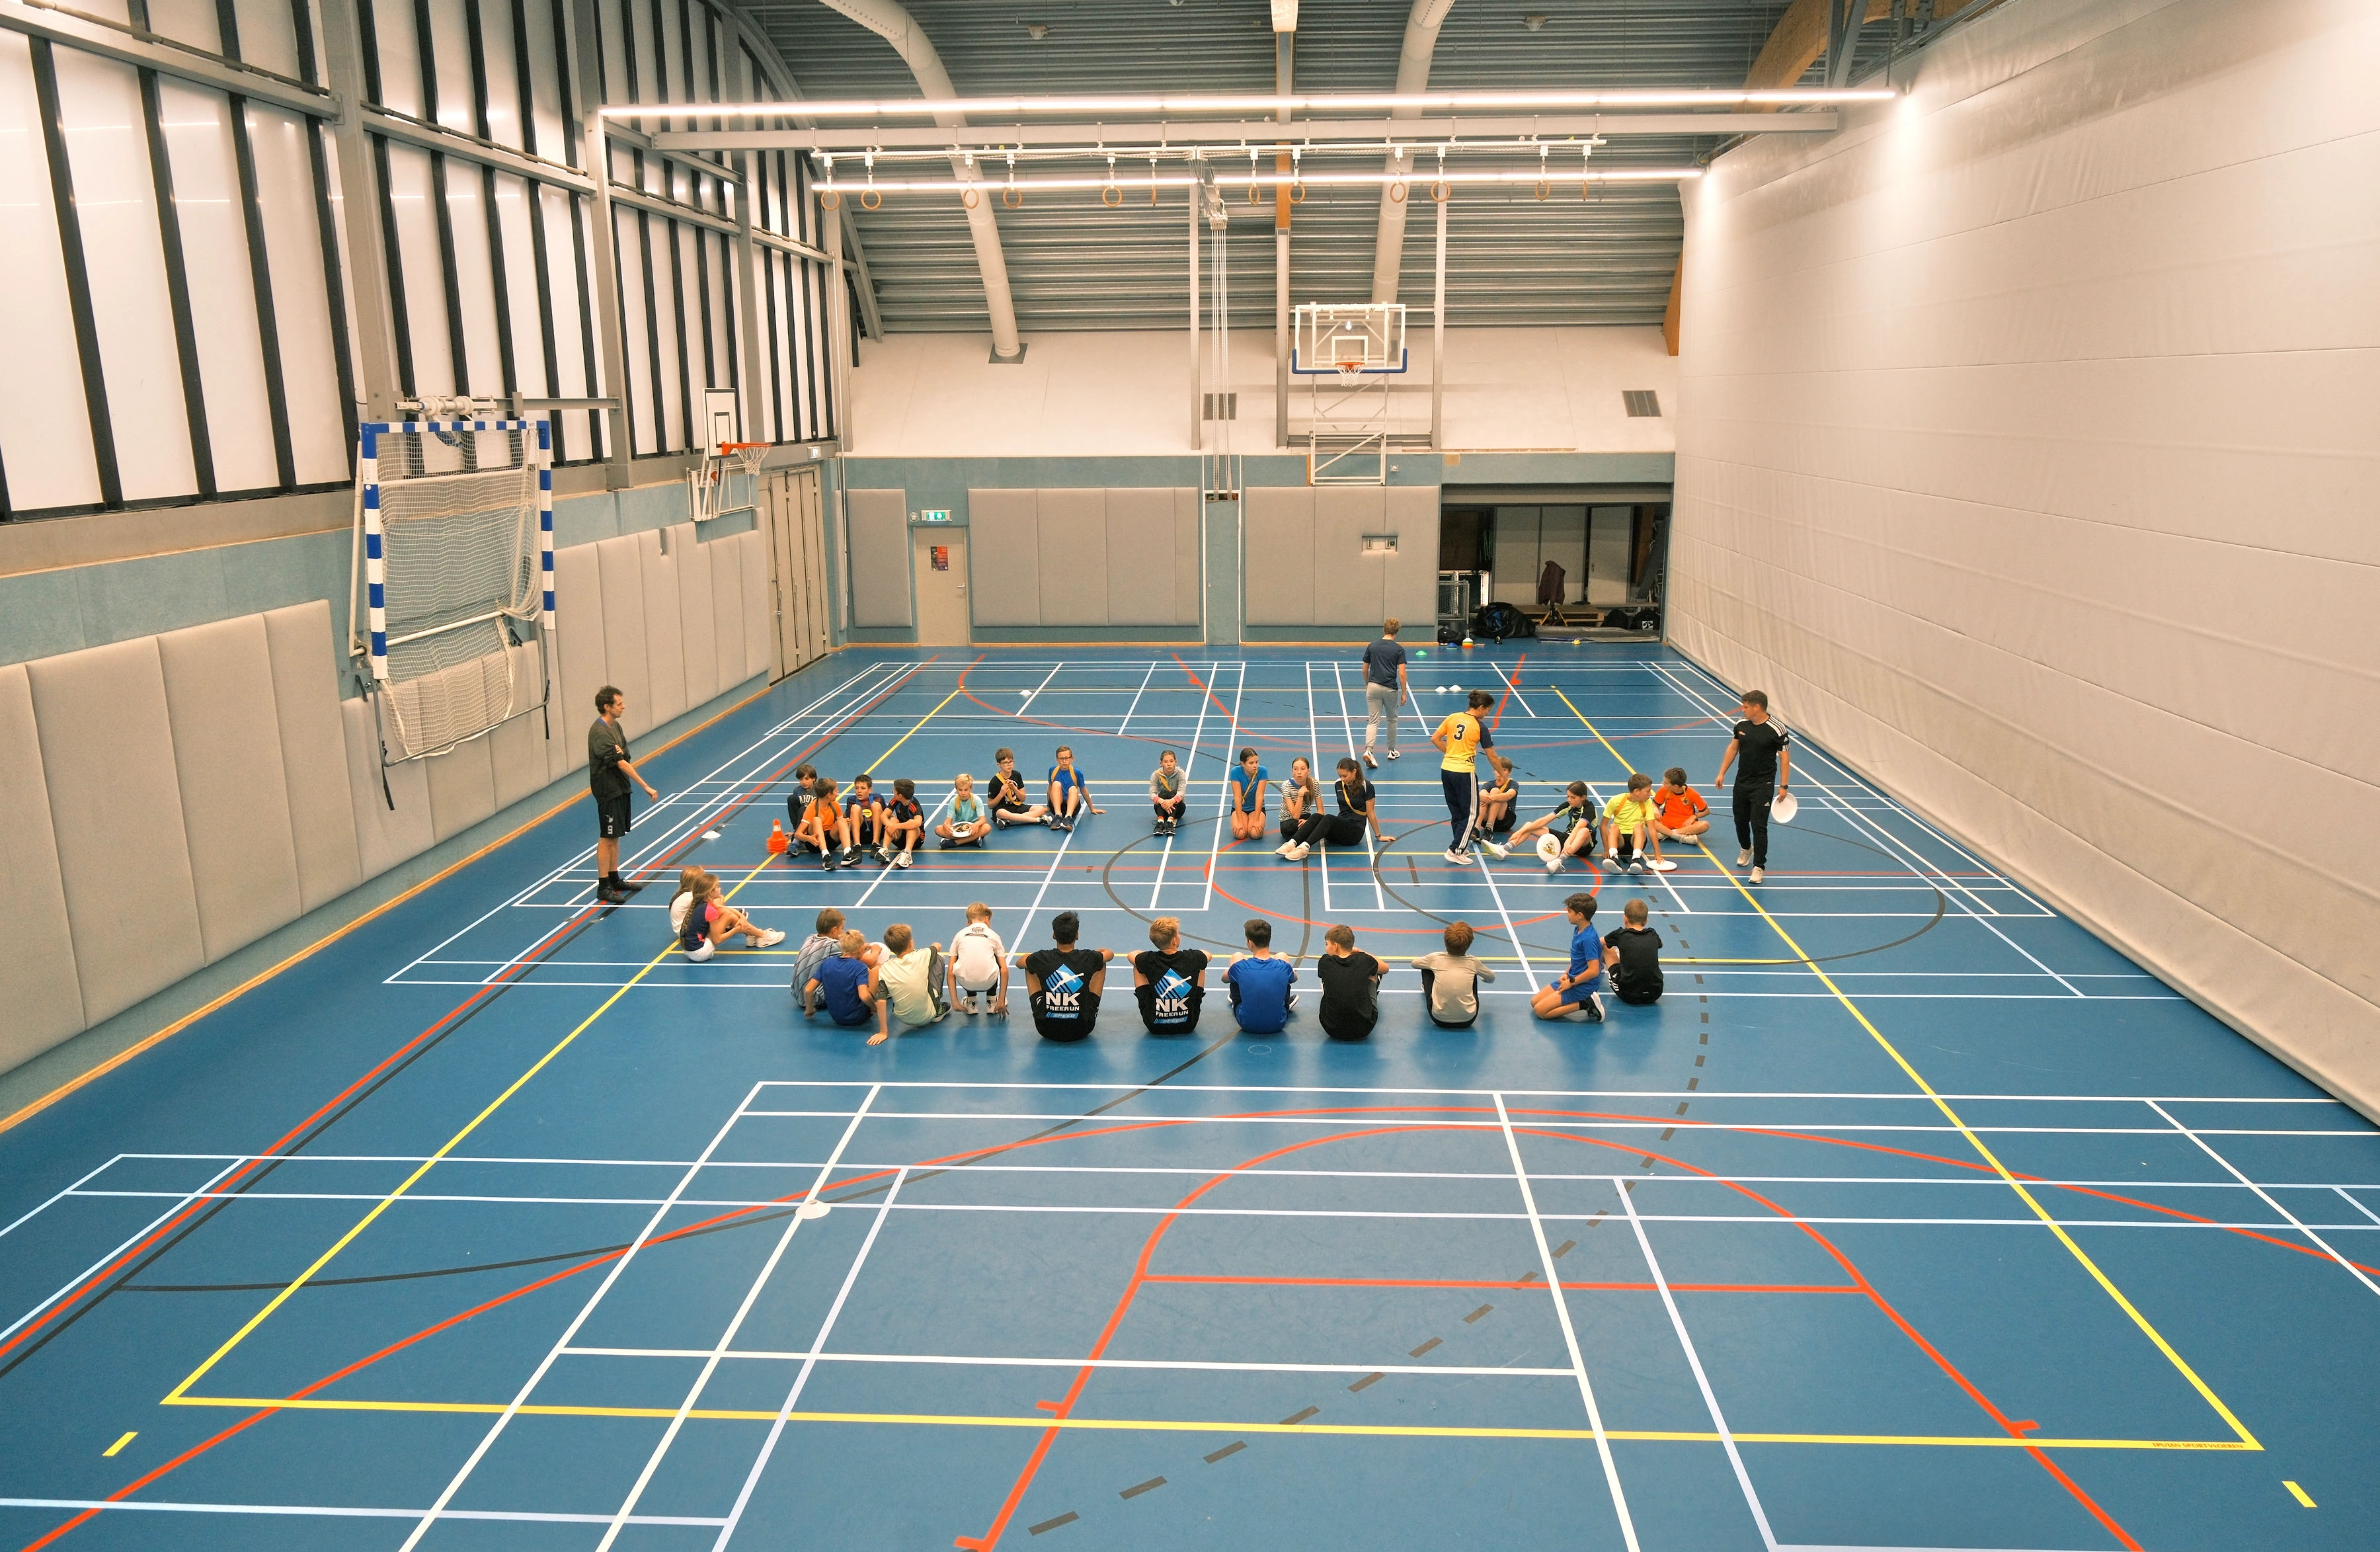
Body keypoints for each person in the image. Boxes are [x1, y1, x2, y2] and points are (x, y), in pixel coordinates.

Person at [588, 686, 659, 903]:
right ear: (607, 707)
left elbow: (624, 753)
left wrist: (619, 753)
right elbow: (620, 762)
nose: (623, 706)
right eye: (619, 704)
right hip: (608, 790)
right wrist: (646, 786)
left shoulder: (615, 727)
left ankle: (614, 878)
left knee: (615, 836)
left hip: (620, 788)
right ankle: (603, 887)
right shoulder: (599, 732)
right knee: (607, 837)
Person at [1716, 689, 1790, 885]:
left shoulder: (1777, 729)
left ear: (1758, 707)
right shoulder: (1741, 724)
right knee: (1740, 821)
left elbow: (1784, 758)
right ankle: (1746, 848)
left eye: (1746, 707)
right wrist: (1722, 772)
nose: (1743, 710)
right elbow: (1733, 748)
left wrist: (1784, 785)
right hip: (1742, 782)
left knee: (1759, 826)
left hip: (1763, 785)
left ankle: (1759, 867)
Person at [1018, 911, 1113, 1041]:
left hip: (1046, 1028)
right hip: (1082, 1029)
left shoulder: (1042, 958)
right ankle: (1089, 1008)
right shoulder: (1087, 958)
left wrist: (1032, 958)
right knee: (1101, 963)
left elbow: (1019, 963)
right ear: (1077, 935)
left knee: (1030, 965)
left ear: (1054, 935)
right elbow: (1109, 954)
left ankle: (1044, 1008)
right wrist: (1095, 955)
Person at [1281, 756, 1390, 860]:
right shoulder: (1338, 784)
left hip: (1354, 833)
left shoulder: (1367, 786)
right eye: (1340, 775)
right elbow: (1341, 808)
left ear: (1354, 772)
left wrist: (1379, 836)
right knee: (1317, 816)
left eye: (1345, 776)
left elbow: (1371, 813)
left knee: (1328, 818)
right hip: (1340, 830)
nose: (1342, 779)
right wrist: (1334, 825)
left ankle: (1304, 849)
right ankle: (1292, 843)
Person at [1431, 689, 1493, 863]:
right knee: (1472, 813)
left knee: (1457, 812)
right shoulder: (1479, 726)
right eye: (1488, 710)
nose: (1488, 714)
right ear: (1481, 707)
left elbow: (1435, 739)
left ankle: (1460, 846)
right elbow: (1491, 755)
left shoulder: (1452, 717)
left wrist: (1450, 753)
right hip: (1464, 772)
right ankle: (1455, 850)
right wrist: (1501, 770)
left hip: (1447, 770)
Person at [1530, 894, 1606, 1023]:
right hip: (1572, 978)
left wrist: (1571, 982)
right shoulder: (1578, 930)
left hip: (1583, 986)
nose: (1567, 914)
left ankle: (1586, 1003)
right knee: (1535, 1002)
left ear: (1580, 915)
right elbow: (1577, 959)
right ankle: (1583, 1001)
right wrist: (1566, 974)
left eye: (1569, 911)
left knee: (1540, 1011)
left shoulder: (1588, 938)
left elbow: (1594, 971)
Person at [1491, 781, 1595, 872]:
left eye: (1573, 797)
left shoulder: (1589, 808)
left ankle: (1558, 861)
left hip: (1584, 845)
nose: (1569, 800)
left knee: (1584, 831)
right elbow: (1544, 820)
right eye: (1568, 796)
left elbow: (1578, 827)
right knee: (1529, 826)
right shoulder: (1567, 806)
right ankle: (1505, 849)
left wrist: (1568, 842)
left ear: (1583, 798)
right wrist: (1520, 831)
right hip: (1568, 839)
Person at [1411, 920, 1496, 1028]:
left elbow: (1414, 963)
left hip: (1438, 1019)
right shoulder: (1473, 962)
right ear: (1469, 944)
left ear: (1446, 942)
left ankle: (1426, 988)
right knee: (1473, 973)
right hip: (1468, 1020)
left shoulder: (1435, 958)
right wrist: (1484, 979)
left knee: (1426, 967)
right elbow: (1491, 977)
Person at [1132, 915, 1210, 1034]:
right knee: (1201, 965)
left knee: (1138, 965)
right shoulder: (1193, 957)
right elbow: (1207, 955)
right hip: (1188, 1024)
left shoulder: (1149, 960)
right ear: (1174, 940)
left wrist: (1144, 958)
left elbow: (1131, 955)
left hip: (1154, 1025)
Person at [874, 923, 947, 1041]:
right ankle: (938, 1008)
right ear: (911, 943)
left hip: (902, 1017)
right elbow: (937, 946)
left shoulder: (885, 968)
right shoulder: (922, 955)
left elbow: (881, 1001)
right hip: (928, 1015)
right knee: (938, 958)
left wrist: (883, 1032)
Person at [1224, 918, 1296, 1033]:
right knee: (1282, 956)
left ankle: (1238, 1000)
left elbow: (1224, 979)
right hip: (1278, 1023)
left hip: (1247, 1024)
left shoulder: (1240, 967)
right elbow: (1294, 978)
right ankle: (1283, 1004)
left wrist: (1236, 969)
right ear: (1270, 938)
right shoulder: (1283, 966)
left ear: (1250, 943)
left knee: (1237, 956)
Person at [1316, 924, 1385, 1041]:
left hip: (1331, 1028)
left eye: (1327, 944)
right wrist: (1360, 952)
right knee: (1374, 972)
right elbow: (1385, 968)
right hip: (1364, 1028)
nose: (1326, 948)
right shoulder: (1365, 960)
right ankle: (1370, 1001)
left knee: (1326, 978)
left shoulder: (1325, 962)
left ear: (1336, 946)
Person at [807, 930, 879, 1032]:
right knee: (876, 970)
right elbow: (864, 996)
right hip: (858, 1017)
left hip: (836, 1017)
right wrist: (875, 1007)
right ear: (859, 950)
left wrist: (809, 1009)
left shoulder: (827, 963)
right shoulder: (860, 967)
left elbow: (809, 989)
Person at [1361, 618, 1409, 768]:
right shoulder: (1399, 649)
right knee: (1392, 719)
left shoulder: (1372, 646)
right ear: (1397, 632)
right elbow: (1401, 673)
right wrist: (1404, 693)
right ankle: (1391, 750)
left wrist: (1367, 684)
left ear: (1384, 630)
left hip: (1373, 686)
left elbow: (1364, 669)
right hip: (1390, 689)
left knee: (1373, 720)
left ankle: (1369, 751)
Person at [948, 902, 1009, 1014]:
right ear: (987, 919)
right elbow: (1004, 970)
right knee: (995, 956)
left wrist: (955, 1002)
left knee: (962, 957)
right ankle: (992, 1001)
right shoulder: (993, 935)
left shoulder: (959, 935)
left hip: (966, 983)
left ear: (968, 922)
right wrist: (1001, 1000)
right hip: (989, 982)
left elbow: (950, 972)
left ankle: (971, 1002)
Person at [1603, 898, 1665, 1005]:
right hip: (1655, 994)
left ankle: (1598, 967)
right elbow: (1661, 944)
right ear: (1646, 921)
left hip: (1629, 995)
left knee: (1605, 947)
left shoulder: (1620, 935)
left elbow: (1596, 943)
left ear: (1625, 919)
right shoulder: (1653, 934)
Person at [791, 907, 852, 1014]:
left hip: (797, 994)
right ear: (834, 930)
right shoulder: (833, 946)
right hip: (815, 999)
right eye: (842, 928)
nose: (844, 931)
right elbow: (863, 957)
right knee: (852, 967)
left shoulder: (810, 938)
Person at [1601, 773, 1663, 875]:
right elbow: (1603, 825)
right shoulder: (1616, 801)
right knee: (1613, 826)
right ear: (1637, 792)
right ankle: (1614, 858)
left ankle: (1636, 860)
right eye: (1648, 791)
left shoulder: (1647, 803)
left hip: (1636, 841)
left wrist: (1658, 854)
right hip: (1619, 843)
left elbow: (1652, 829)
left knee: (1639, 826)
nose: (1650, 794)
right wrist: (1606, 849)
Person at [1652, 766, 1710, 857]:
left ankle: (1668, 834)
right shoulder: (1664, 790)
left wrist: (1694, 817)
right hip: (1666, 823)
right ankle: (1681, 837)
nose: (1663, 784)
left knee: (1705, 825)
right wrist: (1655, 809)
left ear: (1675, 786)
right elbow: (1655, 805)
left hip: (1685, 825)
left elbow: (1706, 811)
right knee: (1648, 819)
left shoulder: (1692, 794)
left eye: (1666, 783)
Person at [795, 776, 850, 871]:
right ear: (829, 795)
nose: (838, 793)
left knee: (842, 821)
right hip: (814, 843)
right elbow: (797, 834)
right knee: (816, 820)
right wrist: (809, 838)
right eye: (836, 791)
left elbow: (840, 826)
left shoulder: (835, 805)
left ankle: (848, 854)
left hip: (831, 840)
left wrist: (845, 824)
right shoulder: (812, 807)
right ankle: (826, 857)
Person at [1274, 756, 1323, 857]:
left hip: (1305, 818)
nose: (1299, 772)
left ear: (1308, 771)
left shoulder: (1314, 784)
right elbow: (1295, 816)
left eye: (1303, 769)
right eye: (1296, 769)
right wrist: (1300, 794)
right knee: (1290, 829)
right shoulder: (1286, 786)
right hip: (1289, 821)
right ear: (1292, 772)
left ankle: (1297, 844)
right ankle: (1298, 841)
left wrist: (1308, 822)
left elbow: (1321, 811)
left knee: (1319, 820)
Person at [1046, 745, 1101, 831]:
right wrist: (1049, 806)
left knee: (1073, 789)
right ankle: (1058, 817)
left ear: (1072, 759)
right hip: (1056, 807)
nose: (1064, 761)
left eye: (1067, 758)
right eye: (1061, 759)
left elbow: (1084, 791)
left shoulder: (1077, 772)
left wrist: (1092, 808)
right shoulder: (1052, 770)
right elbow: (1050, 789)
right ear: (1057, 759)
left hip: (1072, 808)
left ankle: (1068, 818)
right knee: (1056, 784)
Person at [988, 748, 1047, 827]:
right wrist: (1001, 794)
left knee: (1041, 809)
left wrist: (1015, 789)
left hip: (1017, 807)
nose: (1009, 765)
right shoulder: (994, 782)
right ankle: (1038, 820)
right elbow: (990, 805)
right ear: (999, 765)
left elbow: (1023, 798)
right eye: (1005, 763)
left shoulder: (1017, 775)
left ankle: (1009, 820)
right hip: (1002, 809)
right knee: (1001, 813)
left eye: (1011, 762)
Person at [937, 772, 992, 848]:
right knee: (938, 829)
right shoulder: (954, 801)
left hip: (974, 829)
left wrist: (976, 825)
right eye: (960, 790)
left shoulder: (976, 800)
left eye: (966, 790)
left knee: (987, 827)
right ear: (956, 789)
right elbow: (948, 821)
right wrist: (946, 825)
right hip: (960, 830)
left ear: (971, 788)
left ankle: (956, 842)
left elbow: (983, 820)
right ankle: (972, 840)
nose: (963, 793)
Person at [843, 773, 886, 868]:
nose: (859, 791)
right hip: (860, 831)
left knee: (876, 805)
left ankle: (876, 844)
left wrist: (893, 824)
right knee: (855, 808)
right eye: (857, 788)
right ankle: (857, 846)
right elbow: (845, 816)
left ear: (870, 790)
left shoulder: (878, 798)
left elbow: (888, 814)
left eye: (863, 788)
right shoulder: (851, 800)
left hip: (876, 830)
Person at [881, 778, 926, 868]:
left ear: (900, 796)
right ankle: (885, 850)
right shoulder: (895, 801)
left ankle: (907, 853)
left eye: (894, 791)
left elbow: (918, 823)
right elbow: (883, 816)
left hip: (916, 840)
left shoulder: (914, 805)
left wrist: (896, 827)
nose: (893, 792)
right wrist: (890, 825)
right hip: (900, 839)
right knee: (892, 820)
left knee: (911, 824)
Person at [1226, 747, 1269, 842]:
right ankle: (1244, 822)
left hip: (1256, 808)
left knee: (1255, 834)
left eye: (1257, 762)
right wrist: (1240, 822)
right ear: (1243, 764)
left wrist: (1256, 820)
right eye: (1251, 763)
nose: (1255, 766)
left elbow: (1259, 796)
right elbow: (1237, 797)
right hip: (1240, 809)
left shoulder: (1262, 771)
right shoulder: (1236, 772)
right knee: (1241, 833)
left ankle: (1253, 821)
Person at [1477, 753, 1519, 835]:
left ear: (1509, 772)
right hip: (1486, 821)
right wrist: (1486, 798)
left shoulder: (1513, 784)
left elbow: (1509, 795)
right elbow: (1481, 795)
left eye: (1503, 770)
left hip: (1504, 821)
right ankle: (1477, 827)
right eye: (1497, 770)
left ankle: (1489, 828)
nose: (1499, 773)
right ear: (1494, 771)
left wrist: (1492, 798)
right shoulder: (1489, 784)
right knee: (1484, 797)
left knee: (1496, 792)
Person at [784, 764, 821, 852]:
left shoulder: (819, 790)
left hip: (815, 821)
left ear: (814, 779)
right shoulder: (797, 790)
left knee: (803, 809)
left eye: (807, 779)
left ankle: (796, 841)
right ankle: (797, 831)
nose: (804, 782)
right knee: (792, 799)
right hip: (802, 820)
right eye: (801, 780)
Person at [1150, 750, 1187, 836]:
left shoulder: (1180, 773)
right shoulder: (1156, 775)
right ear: (1161, 763)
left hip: (1178, 809)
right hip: (1162, 809)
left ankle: (1170, 822)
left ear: (1176, 762)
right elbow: (1152, 794)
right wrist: (1163, 802)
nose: (1169, 764)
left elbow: (1181, 793)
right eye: (1166, 762)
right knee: (1163, 793)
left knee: (1172, 793)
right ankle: (1160, 822)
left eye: (1171, 761)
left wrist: (1171, 802)